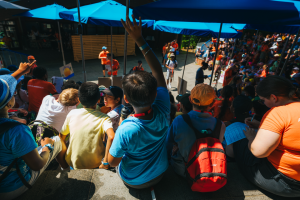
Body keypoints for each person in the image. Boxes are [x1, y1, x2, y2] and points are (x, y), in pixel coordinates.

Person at [108, 15, 170, 189]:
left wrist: (120, 126)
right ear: (155, 93)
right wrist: (140, 40)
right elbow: (158, 70)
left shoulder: (127, 128)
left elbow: (112, 162)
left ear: (126, 99)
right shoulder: (164, 106)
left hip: (134, 180)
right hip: (161, 172)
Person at [0, 62, 68, 200]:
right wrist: (47, 146)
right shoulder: (17, 130)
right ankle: (66, 170)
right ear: (9, 103)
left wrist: (20, 71)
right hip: (11, 187)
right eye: (12, 93)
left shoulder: (30, 82)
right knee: (56, 140)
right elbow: (37, 165)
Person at [230, 76, 300, 197]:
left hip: (285, 182)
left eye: (263, 100)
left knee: (240, 141)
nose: (263, 103)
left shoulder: (278, 112)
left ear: (274, 97)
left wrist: (251, 137)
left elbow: (259, 152)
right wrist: (261, 126)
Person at [166, 84, 226, 177]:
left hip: (185, 170)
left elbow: (168, 144)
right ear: (213, 103)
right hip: (211, 169)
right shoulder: (220, 125)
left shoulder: (179, 120)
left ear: (190, 100)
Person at [60, 82, 114, 170]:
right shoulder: (104, 118)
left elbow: (61, 137)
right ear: (99, 100)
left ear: (79, 100)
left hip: (73, 163)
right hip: (96, 164)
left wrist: (63, 161)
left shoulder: (72, 113)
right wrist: (105, 162)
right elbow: (111, 137)